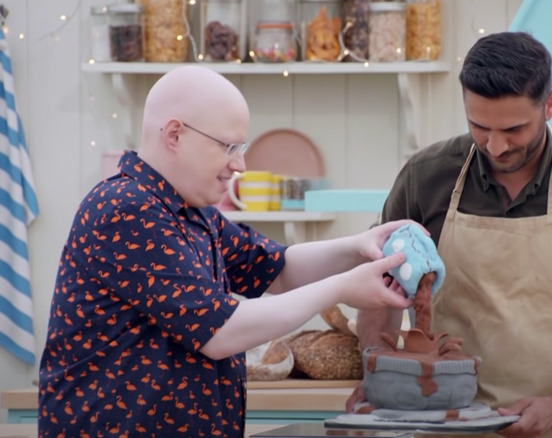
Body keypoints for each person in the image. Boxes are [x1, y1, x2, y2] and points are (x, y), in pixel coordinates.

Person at [38, 65, 416, 437]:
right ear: (174, 134)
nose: (240, 165)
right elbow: (220, 332)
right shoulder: (126, 207)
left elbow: (277, 268)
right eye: (229, 147)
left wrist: (361, 247)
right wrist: (343, 288)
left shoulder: (192, 212)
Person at [348, 32, 552, 438]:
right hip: (446, 426)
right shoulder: (427, 177)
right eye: (478, 126)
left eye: (514, 129)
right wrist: (377, 367)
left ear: (551, 103)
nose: (495, 146)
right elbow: (377, 286)